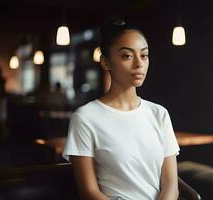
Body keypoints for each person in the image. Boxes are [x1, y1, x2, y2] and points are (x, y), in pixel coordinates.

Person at [62, 19, 180, 200]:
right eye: (127, 56)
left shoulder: (159, 114)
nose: (139, 64)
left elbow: (171, 185)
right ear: (105, 62)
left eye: (144, 55)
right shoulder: (85, 117)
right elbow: (89, 192)